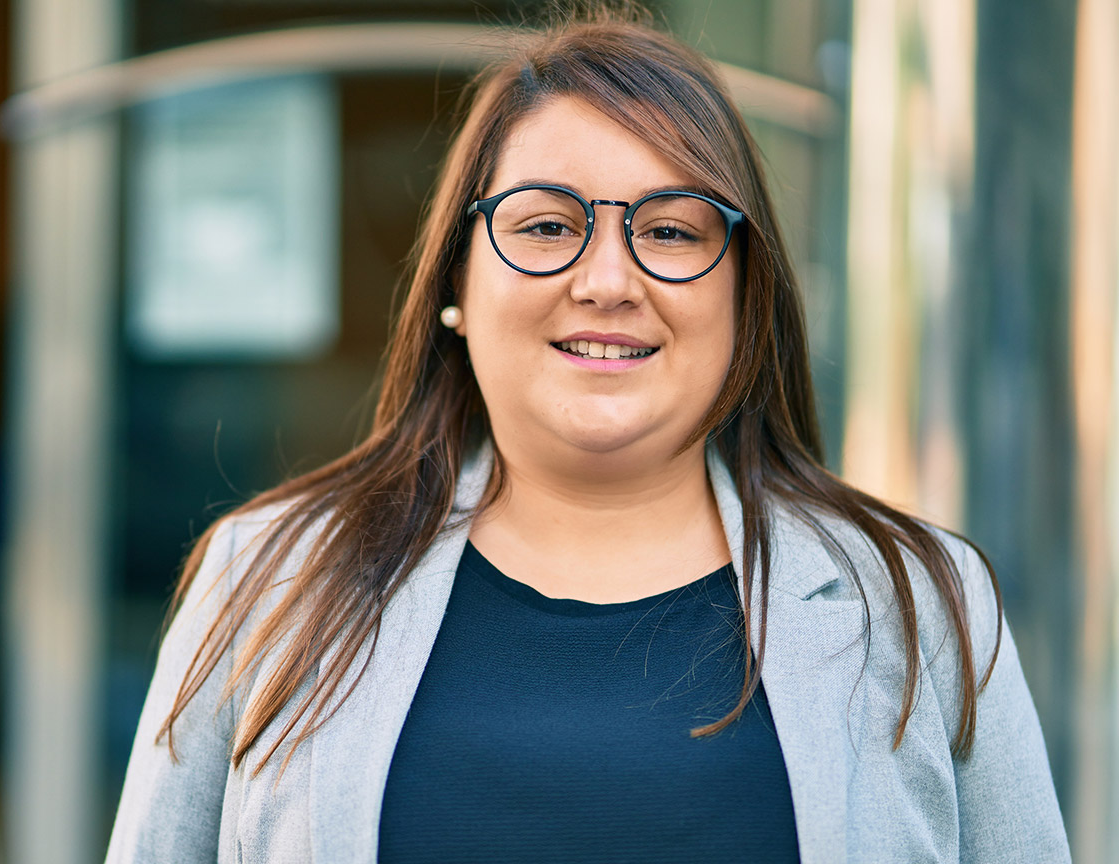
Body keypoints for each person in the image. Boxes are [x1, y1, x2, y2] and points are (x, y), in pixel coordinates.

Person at [106, 9, 1069, 863]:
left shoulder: (919, 603)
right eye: (544, 225)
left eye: (673, 232)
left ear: (747, 291)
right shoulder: (268, 582)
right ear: (455, 287)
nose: (607, 280)